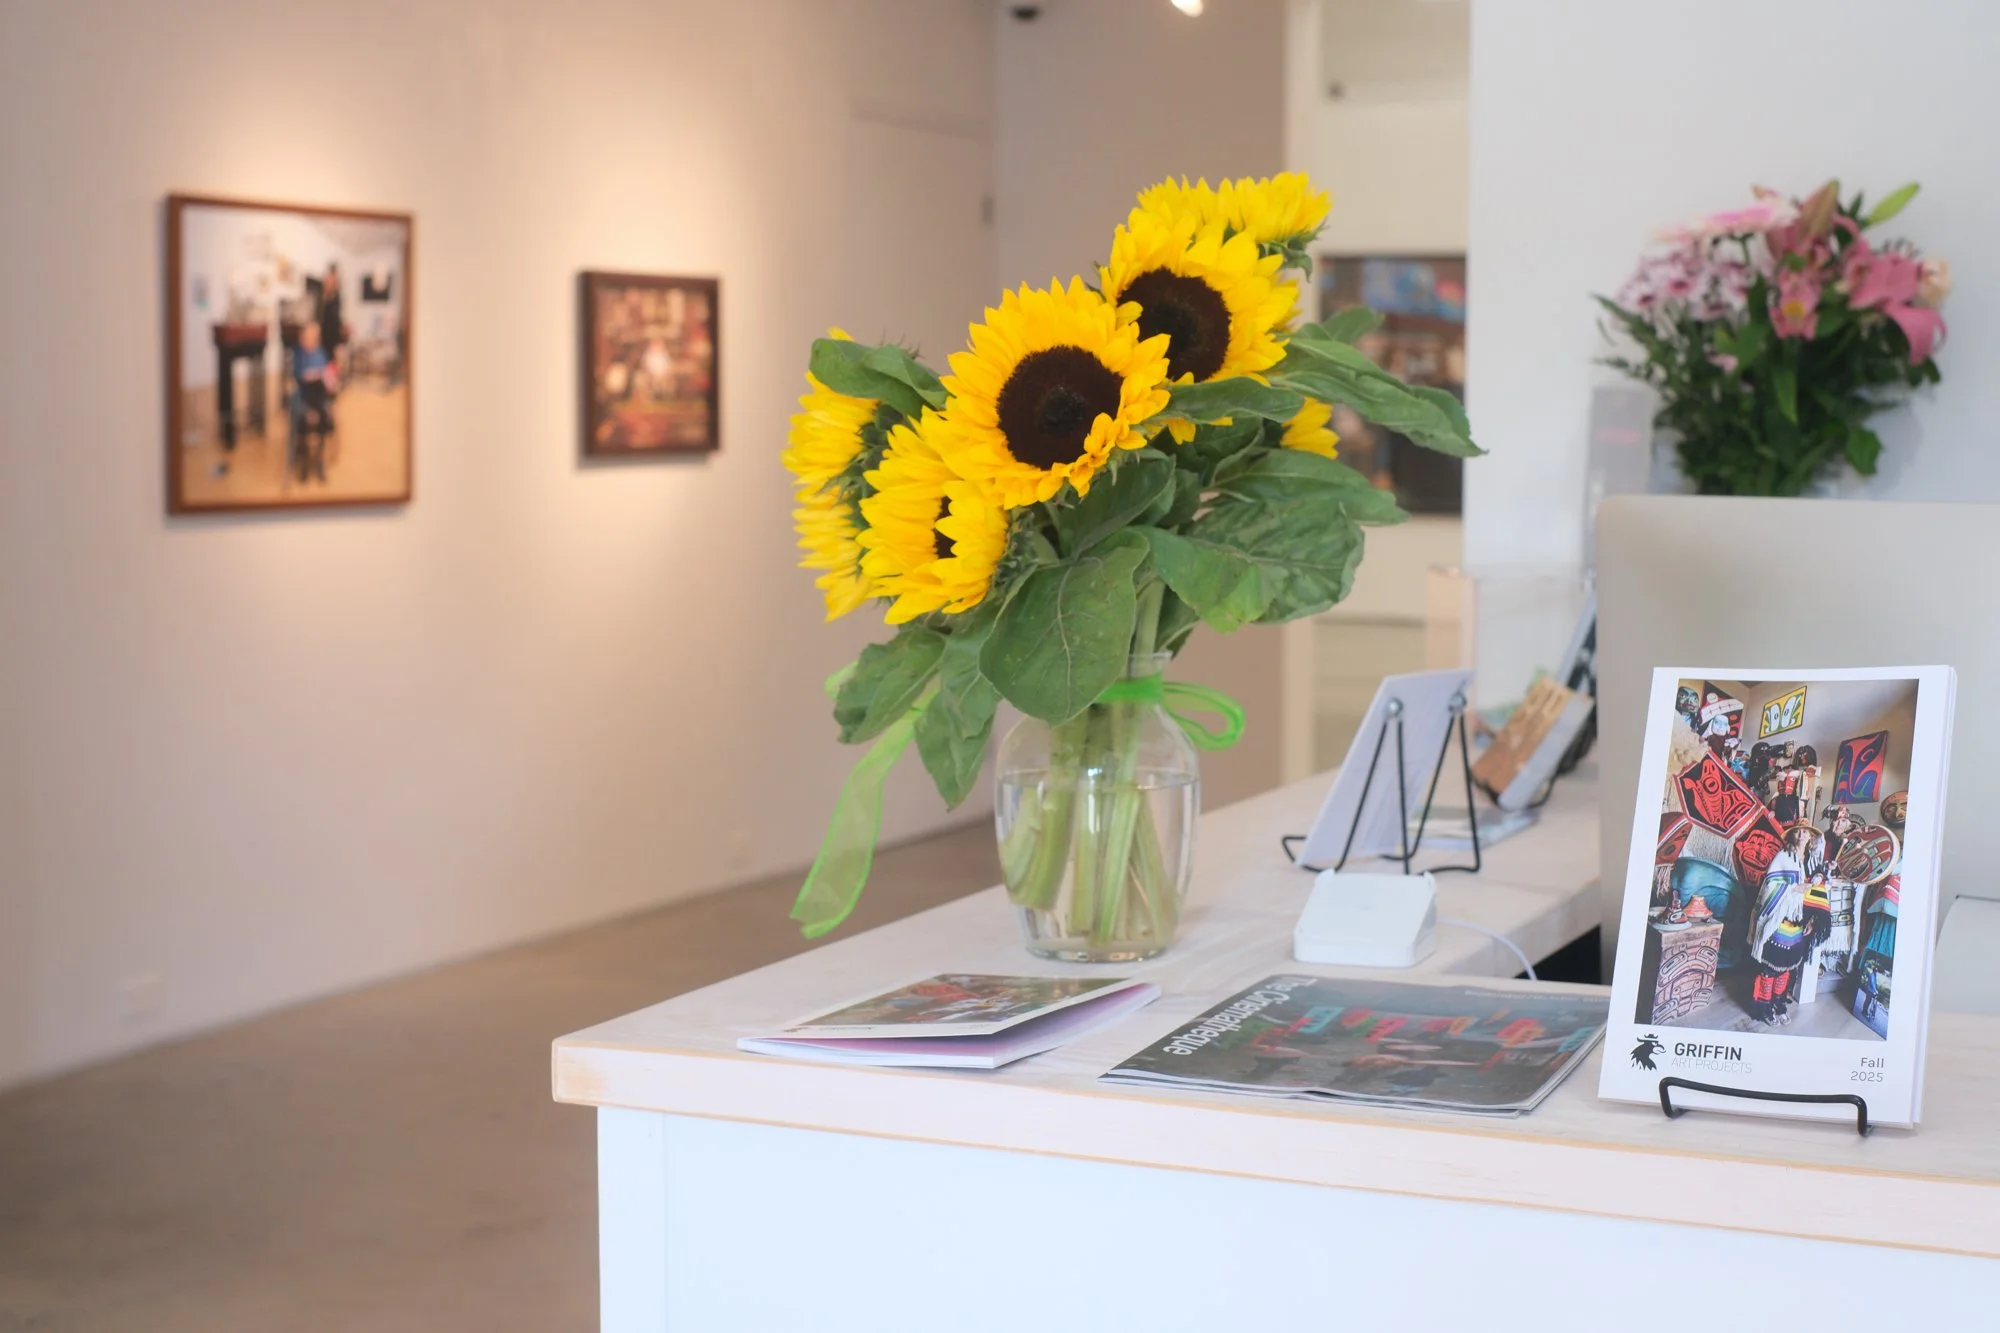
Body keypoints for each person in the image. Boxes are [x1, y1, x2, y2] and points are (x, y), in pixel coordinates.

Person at [293, 322, 335, 483]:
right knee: (303, 419)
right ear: (302, 338)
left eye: (314, 337)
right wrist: (307, 376)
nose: (310, 340)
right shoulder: (298, 355)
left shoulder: (321, 354)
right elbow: (296, 376)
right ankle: (303, 460)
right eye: (307, 337)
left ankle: (318, 460)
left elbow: (328, 376)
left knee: (325, 418)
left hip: (319, 398)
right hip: (303, 397)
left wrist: (329, 378)